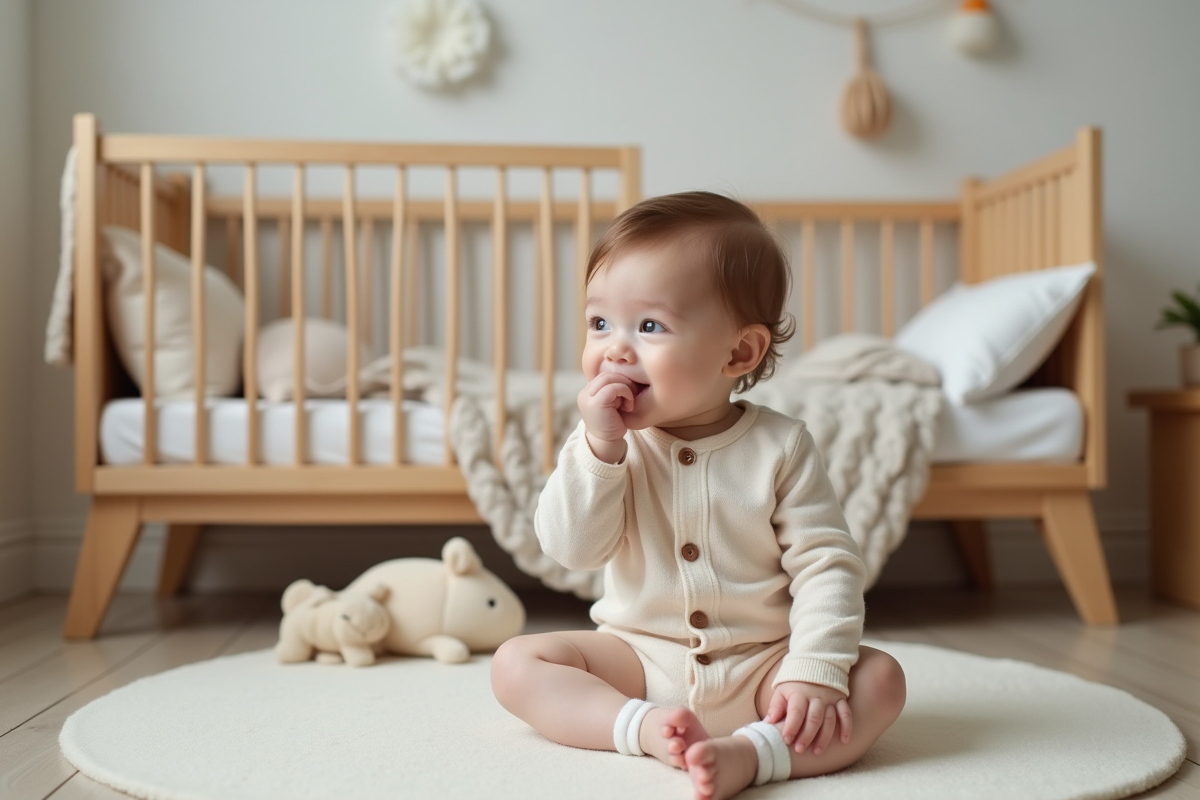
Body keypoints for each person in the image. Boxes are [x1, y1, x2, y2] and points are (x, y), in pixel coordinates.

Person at [490, 191, 906, 800]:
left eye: (650, 326)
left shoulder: (780, 446)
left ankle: (755, 754)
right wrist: (600, 453)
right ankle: (641, 728)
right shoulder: (605, 444)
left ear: (739, 352)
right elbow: (572, 550)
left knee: (880, 681)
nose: (614, 348)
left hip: (765, 667)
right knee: (515, 664)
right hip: (635, 662)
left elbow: (826, 565)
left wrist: (813, 671)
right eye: (599, 323)